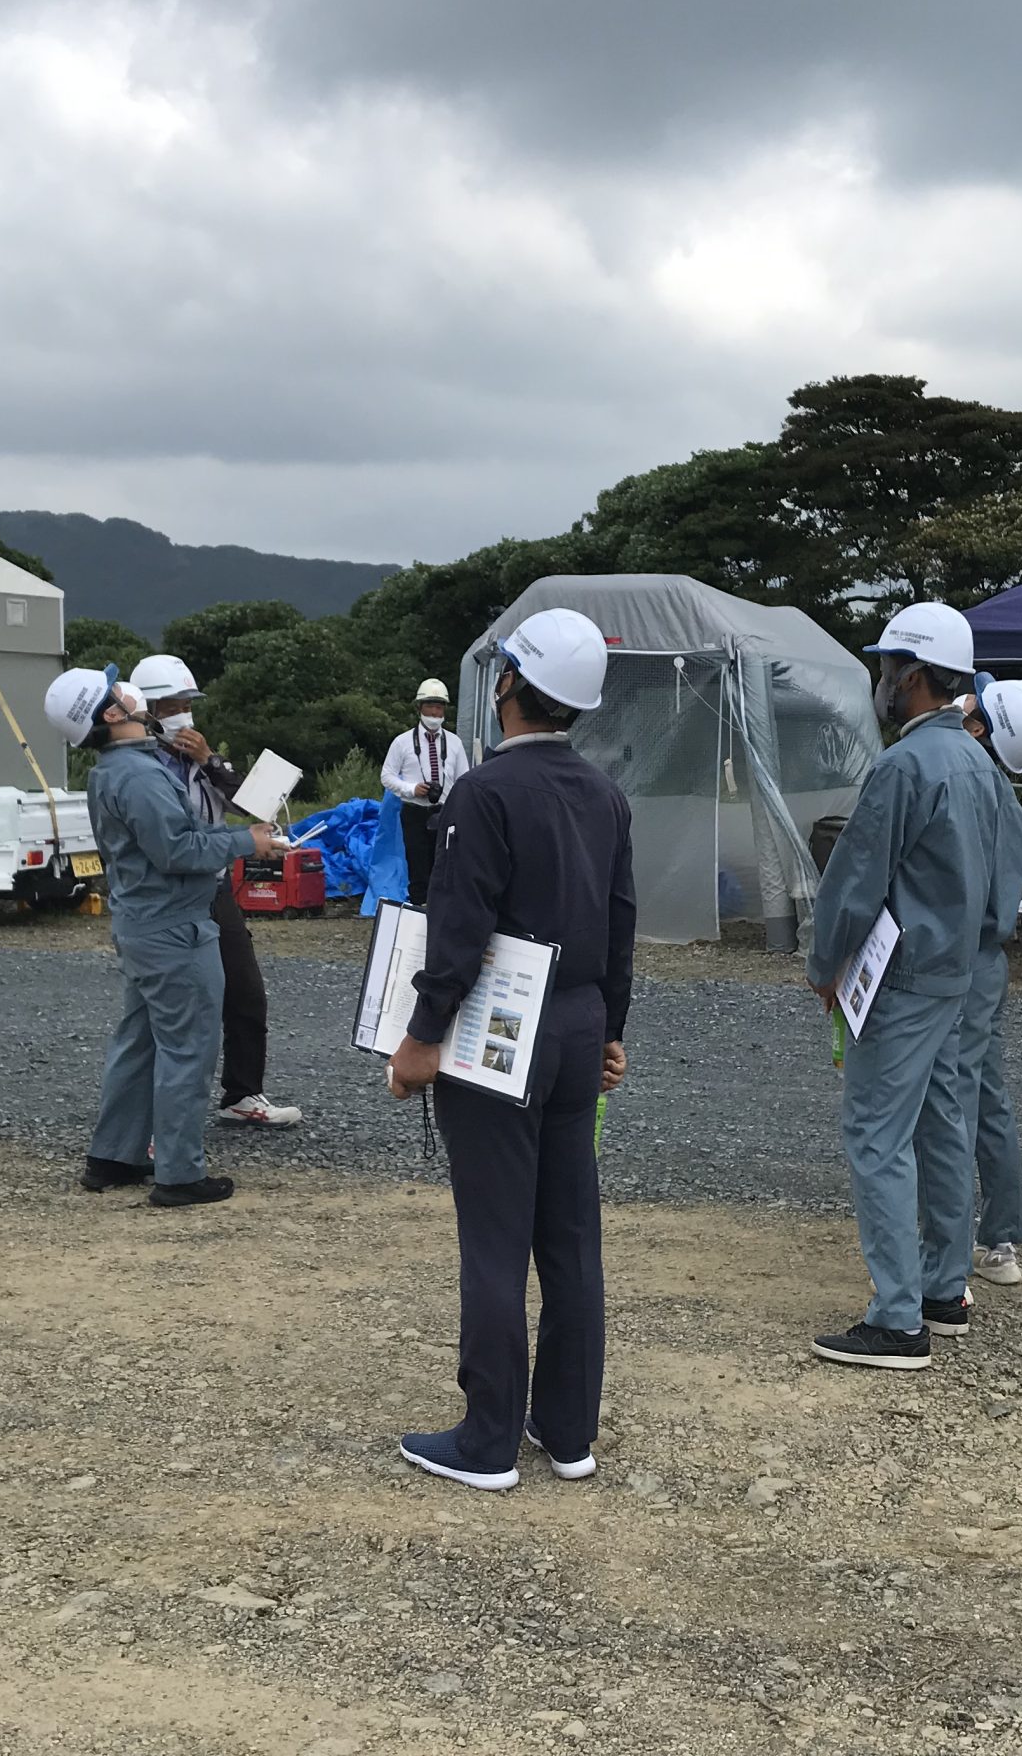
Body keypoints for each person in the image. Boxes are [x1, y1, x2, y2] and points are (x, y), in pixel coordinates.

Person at [387, 609, 633, 1491]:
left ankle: (487, 1439)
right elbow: (620, 923)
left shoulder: (482, 793)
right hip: (575, 1026)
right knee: (569, 1234)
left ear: (508, 688)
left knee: (494, 1236)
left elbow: (458, 930)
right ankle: (567, 1431)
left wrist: (420, 1040)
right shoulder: (603, 795)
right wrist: (611, 1032)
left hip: (501, 1030)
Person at [806, 603, 998, 1369]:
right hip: (957, 967)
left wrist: (826, 965)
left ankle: (896, 1318)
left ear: (912, 676)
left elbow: (855, 881)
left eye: (888, 667)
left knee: (876, 1133)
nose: (883, 681)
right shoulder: (979, 761)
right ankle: (943, 1288)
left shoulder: (906, 763)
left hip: (904, 972)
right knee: (942, 1121)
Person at [45, 668, 276, 1208]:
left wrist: (243, 838)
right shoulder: (141, 775)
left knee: (141, 1041)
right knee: (186, 1049)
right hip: (174, 927)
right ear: (111, 714)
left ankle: (114, 1157)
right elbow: (178, 852)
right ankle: (179, 1173)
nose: (131, 691)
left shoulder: (118, 770)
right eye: (119, 689)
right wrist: (248, 843)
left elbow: (184, 836)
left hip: (146, 924)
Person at [127, 653, 303, 1128]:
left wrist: (209, 760)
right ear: (147, 711)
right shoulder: (142, 768)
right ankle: (149, 1121)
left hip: (215, 890)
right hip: (168, 899)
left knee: (246, 993)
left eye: (188, 703)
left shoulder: (202, 762)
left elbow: (256, 802)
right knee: (171, 1013)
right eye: (170, 706)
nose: (182, 715)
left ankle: (242, 1095)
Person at [947, 676, 1022, 1287]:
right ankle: (1001, 1239)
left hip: (955, 960)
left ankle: (948, 1249)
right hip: (988, 963)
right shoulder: (1009, 803)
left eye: (971, 705)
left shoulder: (960, 788)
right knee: (988, 1096)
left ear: (980, 727)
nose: (959, 704)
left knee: (953, 1102)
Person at [382, 678, 471, 904]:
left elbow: (464, 779)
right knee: (418, 866)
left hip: (444, 812)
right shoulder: (402, 742)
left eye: (439, 706)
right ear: (420, 708)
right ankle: (418, 913)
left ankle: (442, 911)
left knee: (444, 866)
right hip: (414, 812)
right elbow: (387, 776)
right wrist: (411, 789)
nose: (434, 712)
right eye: (430, 706)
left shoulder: (454, 743)